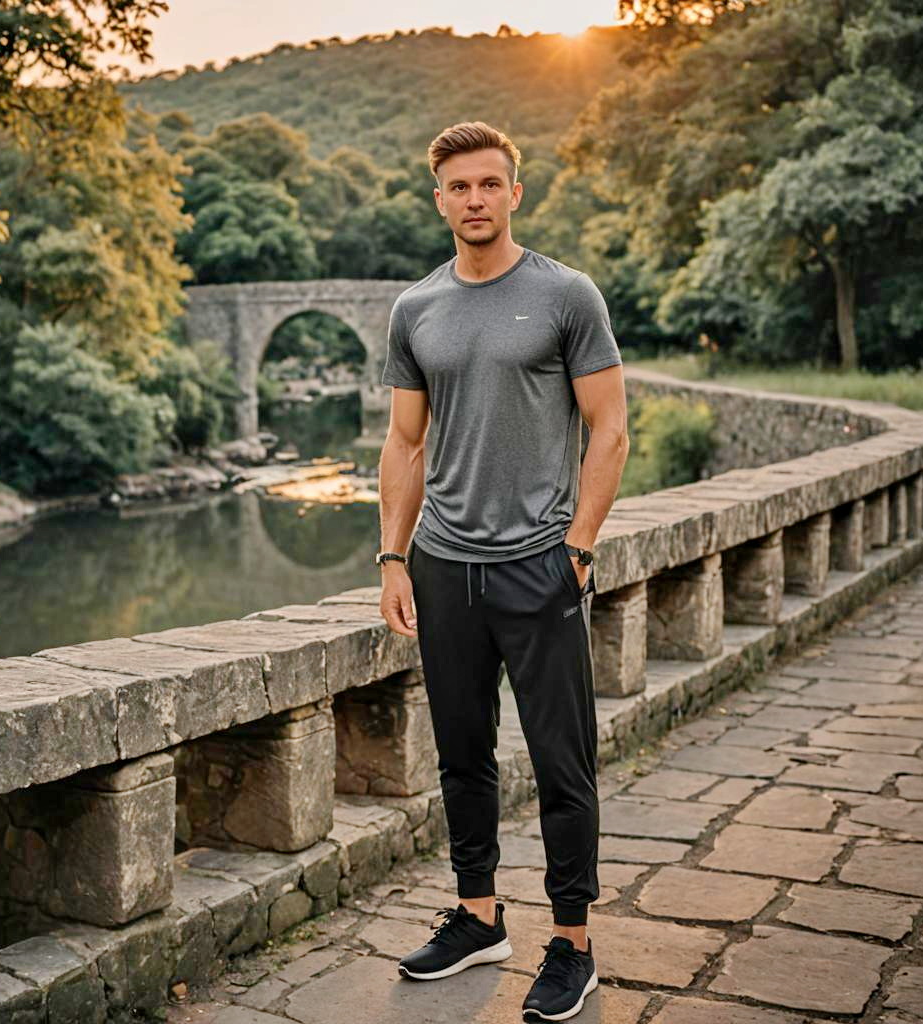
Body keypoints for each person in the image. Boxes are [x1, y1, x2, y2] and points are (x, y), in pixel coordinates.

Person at [375, 120, 629, 1022]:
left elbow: (610, 427)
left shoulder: (567, 296)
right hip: (445, 568)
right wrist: (394, 557)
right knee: (462, 757)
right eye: (458, 187)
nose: (474, 199)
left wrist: (579, 543)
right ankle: (479, 918)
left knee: (564, 762)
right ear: (438, 197)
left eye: (490, 184)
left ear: (515, 192)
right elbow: (404, 444)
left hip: (538, 567)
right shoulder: (416, 309)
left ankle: (573, 943)